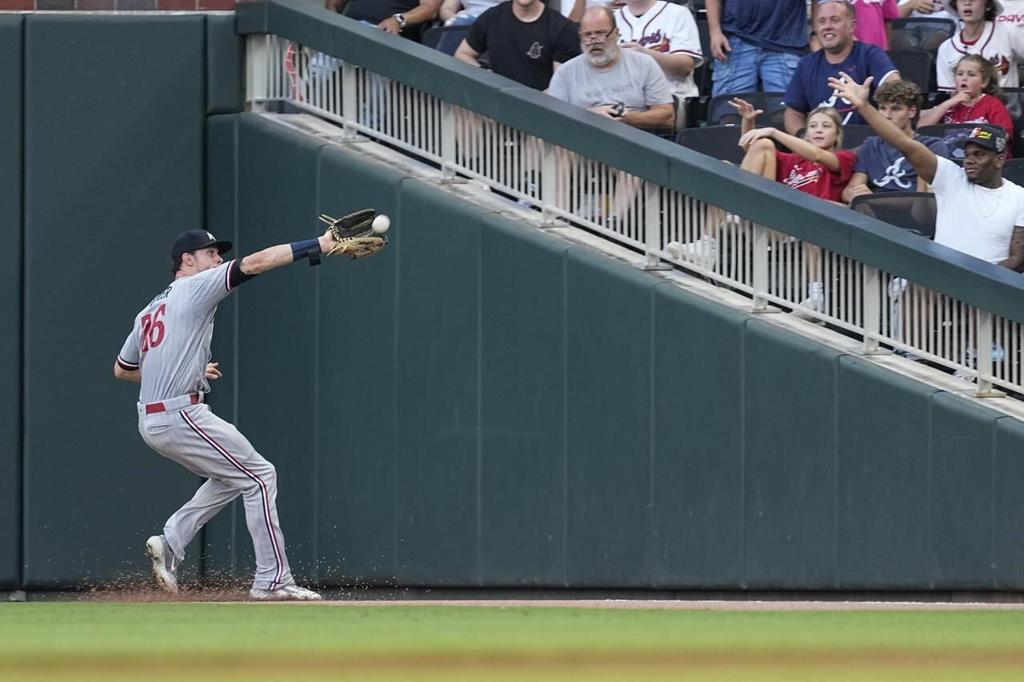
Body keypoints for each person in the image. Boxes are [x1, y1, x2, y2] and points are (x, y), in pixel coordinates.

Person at [114, 225, 376, 601]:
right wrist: (317, 245)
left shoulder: (150, 309)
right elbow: (256, 263)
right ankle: (272, 580)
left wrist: (186, 369)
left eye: (218, 254)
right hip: (181, 415)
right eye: (210, 253)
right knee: (259, 477)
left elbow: (122, 369)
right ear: (187, 260)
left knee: (234, 476)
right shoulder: (195, 286)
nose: (217, 259)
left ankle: (171, 541)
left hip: (152, 419)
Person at [830, 71, 1024, 269]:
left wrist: (979, 282)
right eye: (967, 154)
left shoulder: (1019, 196)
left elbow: (1018, 259)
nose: (969, 160)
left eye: (979, 155)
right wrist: (863, 106)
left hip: (991, 284)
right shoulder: (951, 176)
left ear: (1000, 160)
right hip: (939, 277)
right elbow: (903, 143)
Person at [667, 103, 856, 302]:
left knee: (766, 144)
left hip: (795, 227)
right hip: (768, 214)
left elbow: (817, 155)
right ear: (806, 134)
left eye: (826, 126)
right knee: (737, 161)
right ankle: (707, 245)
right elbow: (752, 149)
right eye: (813, 126)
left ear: (837, 134)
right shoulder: (794, 161)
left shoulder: (844, 159)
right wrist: (749, 121)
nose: (818, 130)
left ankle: (730, 214)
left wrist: (773, 131)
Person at [547, 6, 675, 132]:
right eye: (587, 35)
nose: (594, 41)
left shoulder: (644, 64)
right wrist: (590, 116)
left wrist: (626, 117)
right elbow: (552, 121)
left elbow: (667, 117)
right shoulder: (565, 73)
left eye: (601, 33)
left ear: (616, 33)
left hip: (635, 141)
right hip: (582, 143)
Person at [784, 0, 900, 133]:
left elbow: (894, 85)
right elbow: (793, 113)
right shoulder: (806, 64)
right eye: (822, 21)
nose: (827, 26)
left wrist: (864, 103)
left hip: (865, 145)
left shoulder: (870, 55)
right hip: (821, 150)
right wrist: (804, 139)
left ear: (852, 26)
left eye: (835, 20)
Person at [843, 79, 951, 202]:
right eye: (882, 108)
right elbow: (849, 190)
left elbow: (924, 203)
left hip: (909, 218)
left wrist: (873, 200)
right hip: (872, 215)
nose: (887, 115)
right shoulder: (871, 145)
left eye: (895, 109)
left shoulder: (932, 146)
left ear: (911, 111)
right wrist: (855, 195)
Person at [455, 0, 581, 90]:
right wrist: (485, 74)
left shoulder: (561, 28)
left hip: (540, 114)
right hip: (495, 108)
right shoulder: (493, 17)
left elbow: (560, 87)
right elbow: (462, 53)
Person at [705, 0, 808, 97]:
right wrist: (715, 32)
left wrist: (815, 34)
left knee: (787, 110)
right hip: (736, 38)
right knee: (730, 110)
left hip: (785, 41)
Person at [920, 53, 1015, 151]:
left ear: (984, 82)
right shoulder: (950, 105)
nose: (964, 78)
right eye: (960, 74)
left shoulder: (992, 105)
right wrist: (948, 103)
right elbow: (921, 128)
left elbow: (1004, 137)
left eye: (971, 74)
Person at [613, 0, 704, 99]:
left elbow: (685, 66)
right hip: (619, 100)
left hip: (670, 98)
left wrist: (645, 55)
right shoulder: (610, 19)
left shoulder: (678, 13)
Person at [935, 0, 1024, 91]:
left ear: (988, 6)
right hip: (965, 104)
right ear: (956, 6)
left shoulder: (1008, 32)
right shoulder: (946, 48)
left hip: (1006, 103)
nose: (967, 2)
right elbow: (948, 92)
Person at [326, 0, 442, 40]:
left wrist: (398, 19)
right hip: (349, 28)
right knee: (316, 76)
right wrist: (333, 25)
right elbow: (333, 4)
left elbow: (430, 9)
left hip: (387, 36)